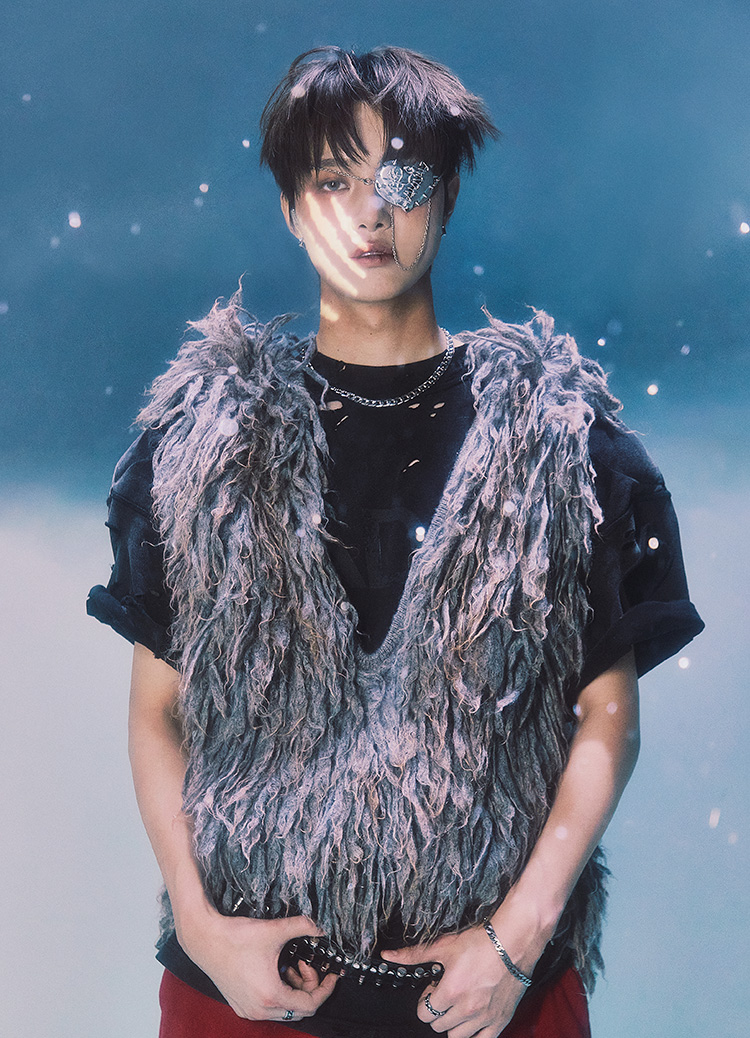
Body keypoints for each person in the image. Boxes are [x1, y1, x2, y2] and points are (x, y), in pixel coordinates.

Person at [87, 46, 704, 1038]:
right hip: (243, 991)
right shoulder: (201, 442)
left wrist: (518, 940)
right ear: (293, 209)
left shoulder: (563, 439)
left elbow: (608, 711)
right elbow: (157, 709)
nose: (369, 213)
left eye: (404, 179)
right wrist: (201, 928)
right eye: (334, 181)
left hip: (496, 996)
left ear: (447, 197)